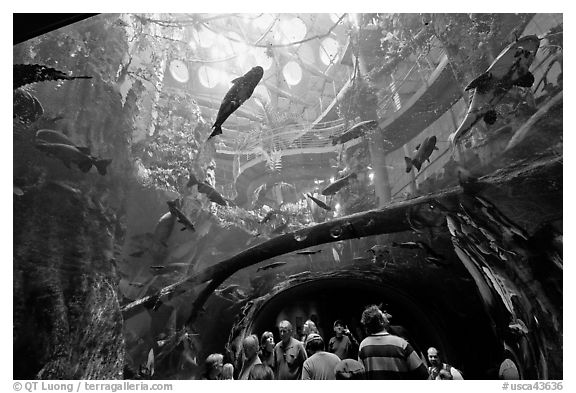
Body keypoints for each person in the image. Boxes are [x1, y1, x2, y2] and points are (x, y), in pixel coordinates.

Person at [358, 305, 428, 379]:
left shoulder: (363, 346)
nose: (388, 315)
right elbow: (422, 373)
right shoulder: (401, 343)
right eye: (383, 314)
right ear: (380, 321)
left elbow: (361, 376)